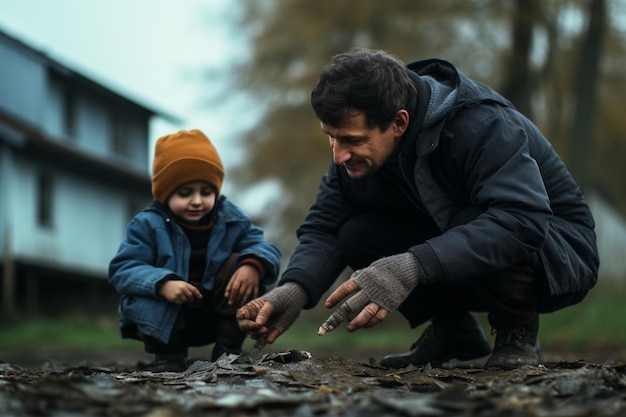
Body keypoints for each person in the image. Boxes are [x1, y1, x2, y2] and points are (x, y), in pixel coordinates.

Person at [237, 49, 599, 370]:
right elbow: (326, 228)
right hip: (463, 244)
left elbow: (522, 220)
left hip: (557, 252)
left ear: (399, 122)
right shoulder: (357, 155)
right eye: (331, 137)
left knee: (480, 220)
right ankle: (453, 331)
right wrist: (295, 288)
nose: (338, 155)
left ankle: (515, 329)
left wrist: (410, 267)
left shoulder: (482, 124)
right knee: (357, 233)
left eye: (351, 140)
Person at [109, 129, 281, 371]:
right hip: (165, 319)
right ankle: (169, 356)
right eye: (185, 193)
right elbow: (123, 269)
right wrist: (162, 284)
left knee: (242, 263)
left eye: (206, 192)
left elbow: (263, 245)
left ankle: (228, 351)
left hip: (214, 314)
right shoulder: (146, 224)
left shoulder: (231, 218)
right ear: (166, 193)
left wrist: (253, 266)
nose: (197, 201)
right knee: (146, 289)